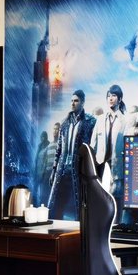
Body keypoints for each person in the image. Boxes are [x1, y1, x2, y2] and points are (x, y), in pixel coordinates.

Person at [49, 89, 97, 220]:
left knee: (80, 206)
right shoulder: (65, 123)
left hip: (79, 170)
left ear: (83, 102)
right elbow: (59, 149)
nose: (73, 103)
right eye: (71, 101)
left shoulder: (89, 122)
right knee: (56, 205)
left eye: (76, 101)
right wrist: (54, 170)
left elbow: (92, 148)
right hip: (63, 169)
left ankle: (80, 228)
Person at [93, 84, 127, 211]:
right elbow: (93, 144)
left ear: (120, 99)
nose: (110, 98)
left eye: (114, 95)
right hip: (100, 166)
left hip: (117, 167)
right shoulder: (100, 119)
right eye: (108, 96)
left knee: (115, 202)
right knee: (100, 202)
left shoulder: (125, 121)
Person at [33, 130, 51, 206]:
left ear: (46, 137)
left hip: (44, 172)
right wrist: (34, 170)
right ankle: (34, 204)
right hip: (37, 171)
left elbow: (47, 160)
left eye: (44, 136)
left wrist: (44, 172)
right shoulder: (39, 146)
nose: (42, 138)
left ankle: (42, 205)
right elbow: (36, 159)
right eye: (41, 137)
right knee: (35, 189)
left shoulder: (49, 145)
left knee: (43, 191)